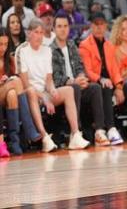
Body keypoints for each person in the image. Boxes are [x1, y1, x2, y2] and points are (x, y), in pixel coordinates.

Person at [79, 12, 127, 143]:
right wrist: (101, 79)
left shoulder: (109, 46)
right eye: (96, 24)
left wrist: (119, 87)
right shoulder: (84, 45)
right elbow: (88, 70)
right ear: (91, 26)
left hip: (112, 84)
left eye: (101, 24)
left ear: (105, 26)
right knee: (105, 87)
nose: (99, 27)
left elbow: (114, 70)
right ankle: (111, 129)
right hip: (96, 84)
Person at [18, 18, 90, 151]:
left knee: (69, 90)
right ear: (29, 33)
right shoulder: (22, 51)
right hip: (31, 94)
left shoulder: (46, 51)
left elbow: (49, 80)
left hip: (44, 93)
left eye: (41, 33)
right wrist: (44, 98)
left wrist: (52, 90)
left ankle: (75, 135)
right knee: (31, 91)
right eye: (36, 32)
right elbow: (26, 84)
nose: (39, 36)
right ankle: (45, 137)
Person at [51, 13, 111, 146]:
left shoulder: (72, 45)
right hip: (61, 90)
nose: (63, 29)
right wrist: (73, 82)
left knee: (95, 88)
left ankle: (99, 131)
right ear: (53, 29)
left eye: (65, 26)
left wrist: (81, 77)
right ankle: (75, 133)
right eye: (59, 26)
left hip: (77, 85)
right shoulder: (51, 49)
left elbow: (79, 66)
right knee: (75, 88)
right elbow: (56, 77)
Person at [0, 27, 41, 155]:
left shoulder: (10, 60)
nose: (3, 48)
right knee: (16, 82)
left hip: (7, 95)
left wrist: (7, 81)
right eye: (0, 44)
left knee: (12, 93)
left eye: (6, 44)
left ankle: (15, 141)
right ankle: (29, 129)